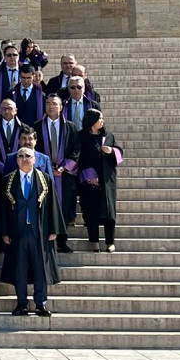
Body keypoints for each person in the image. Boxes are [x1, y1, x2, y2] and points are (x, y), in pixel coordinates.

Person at [0, 148, 63, 316]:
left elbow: (53, 205)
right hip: (17, 232)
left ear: (34, 159)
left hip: (39, 232)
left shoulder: (45, 179)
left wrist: (54, 229)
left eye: (28, 156)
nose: (24, 159)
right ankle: (22, 304)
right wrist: (4, 231)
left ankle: (40, 303)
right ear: (16, 160)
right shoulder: (7, 181)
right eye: (20, 156)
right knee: (19, 268)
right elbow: (3, 209)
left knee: (40, 268)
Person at [77, 109, 124, 252]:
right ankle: (94, 241)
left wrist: (111, 151)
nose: (102, 121)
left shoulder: (108, 136)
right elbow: (78, 157)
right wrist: (88, 175)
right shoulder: (81, 136)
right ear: (92, 121)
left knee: (109, 212)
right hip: (89, 182)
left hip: (107, 181)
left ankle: (110, 242)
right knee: (91, 212)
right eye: (100, 118)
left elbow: (120, 154)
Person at [37, 96, 79, 253]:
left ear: (61, 107)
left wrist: (63, 168)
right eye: (47, 103)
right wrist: (46, 168)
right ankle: (45, 240)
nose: (50, 106)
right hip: (43, 173)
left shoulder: (71, 127)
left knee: (64, 207)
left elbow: (76, 150)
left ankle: (62, 241)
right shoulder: (37, 126)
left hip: (64, 175)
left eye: (54, 104)